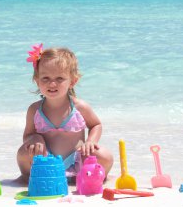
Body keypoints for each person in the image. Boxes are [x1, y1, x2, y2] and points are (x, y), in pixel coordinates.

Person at [16, 43, 113, 182]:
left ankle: (91, 177)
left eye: (59, 79)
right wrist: (35, 139)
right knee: (22, 154)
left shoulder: (79, 107)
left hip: (77, 156)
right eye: (45, 78)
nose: (52, 84)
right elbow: (28, 134)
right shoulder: (35, 109)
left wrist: (90, 142)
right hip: (47, 160)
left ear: (72, 81)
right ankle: (28, 179)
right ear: (37, 81)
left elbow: (96, 125)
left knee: (104, 156)